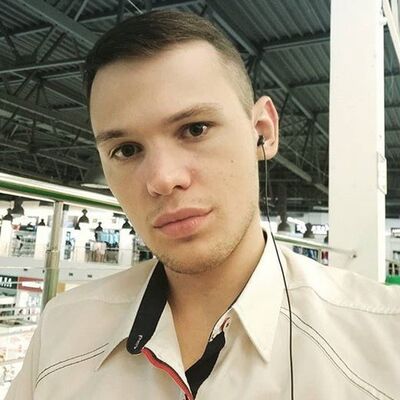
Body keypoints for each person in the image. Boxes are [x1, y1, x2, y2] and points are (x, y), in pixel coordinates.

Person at [6, 10, 400, 400]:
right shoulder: (61, 335)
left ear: (262, 131)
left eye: (194, 129)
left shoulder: (383, 342)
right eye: (126, 149)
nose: (163, 179)